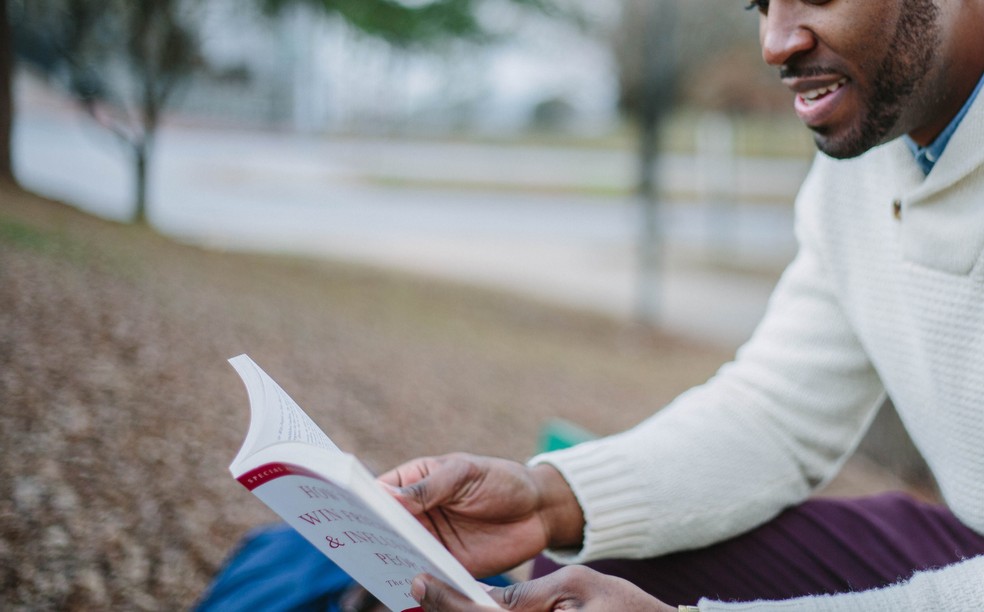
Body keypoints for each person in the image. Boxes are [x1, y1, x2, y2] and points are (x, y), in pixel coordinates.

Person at [378, 0, 984, 609]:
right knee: (597, 560)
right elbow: (776, 413)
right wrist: (548, 499)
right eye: (760, 5)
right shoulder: (870, 158)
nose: (774, 44)